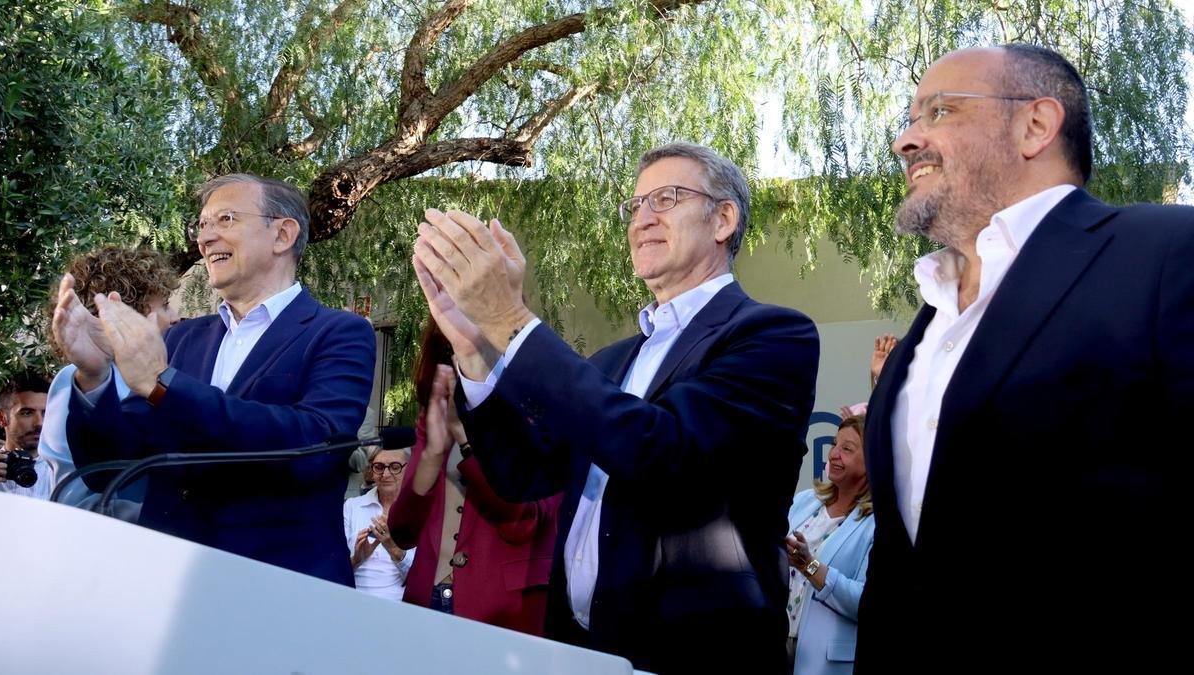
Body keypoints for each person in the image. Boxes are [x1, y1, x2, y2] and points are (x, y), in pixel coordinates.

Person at [412, 142, 819, 673]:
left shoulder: (772, 335)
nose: (641, 219)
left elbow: (658, 448)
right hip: (580, 648)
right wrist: (474, 352)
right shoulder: (610, 361)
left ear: (723, 219)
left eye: (665, 199)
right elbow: (523, 475)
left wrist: (510, 319)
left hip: (698, 655)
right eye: (634, 205)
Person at [859, 44, 1194, 669]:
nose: (906, 141)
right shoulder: (926, 329)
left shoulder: (1166, 252)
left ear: (1035, 125)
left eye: (939, 111)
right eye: (909, 120)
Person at [52, 174, 375, 585]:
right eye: (201, 225)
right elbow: (110, 471)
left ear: (282, 234)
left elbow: (313, 445)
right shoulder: (186, 336)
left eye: (224, 219)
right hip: (170, 582)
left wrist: (163, 383)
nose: (205, 238)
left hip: (279, 585)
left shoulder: (339, 332)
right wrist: (94, 375)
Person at [387, 318, 561, 635]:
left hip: (505, 614)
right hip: (426, 603)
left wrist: (467, 441)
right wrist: (432, 455)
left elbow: (525, 523)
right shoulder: (437, 410)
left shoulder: (541, 403)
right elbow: (402, 531)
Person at [38, 245, 181, 513]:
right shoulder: (75, 379)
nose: (174, 317)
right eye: (165, 305)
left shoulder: (167, 373)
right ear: (129, 311)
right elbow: (74, 495)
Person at [784, 415, 873, 675]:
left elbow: (866, 602)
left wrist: (809, 566)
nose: (834, 454)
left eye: (847, 449)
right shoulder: (804, 501)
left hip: (824, 664)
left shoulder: (877, 524)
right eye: (835, 444)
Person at [343, 446, 415, 601]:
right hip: (353, 599)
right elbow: (336, 570)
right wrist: (357, 559)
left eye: (395, 467)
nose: (386, 474)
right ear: (371, 470)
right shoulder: (352, 506)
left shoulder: (419, 510)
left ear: (410, 469)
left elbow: (423, 580)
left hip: (399, 604)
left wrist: (394, 549)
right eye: (379, 467)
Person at [0, 372, 52, 499]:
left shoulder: (63, 472)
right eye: (27, 413)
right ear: (1, 418)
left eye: (45, 413)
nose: (39, 423)